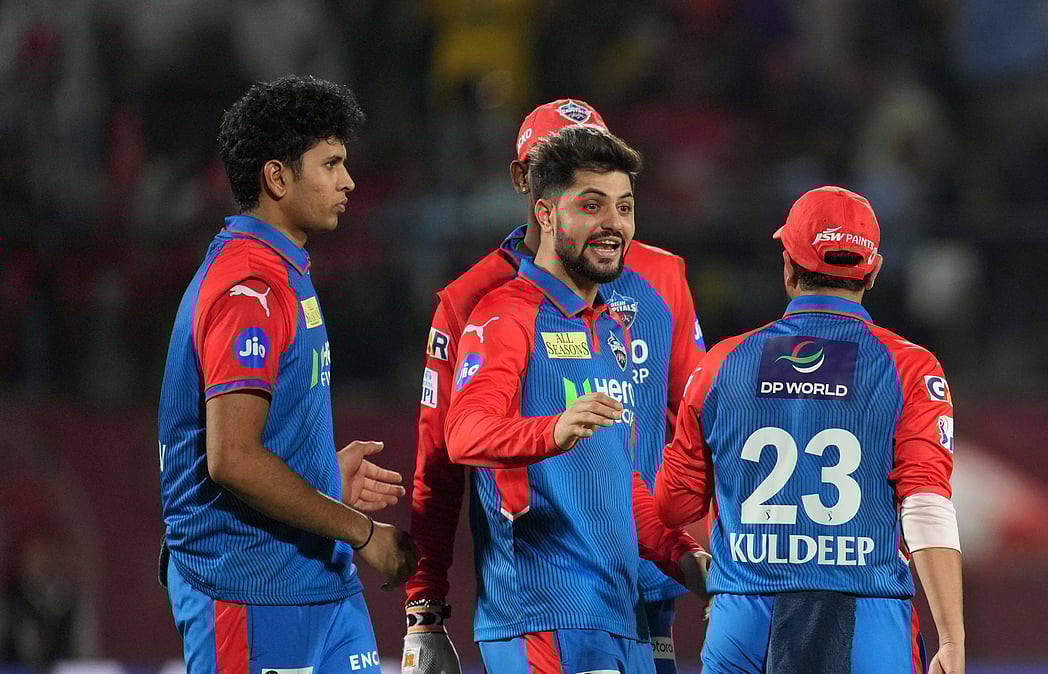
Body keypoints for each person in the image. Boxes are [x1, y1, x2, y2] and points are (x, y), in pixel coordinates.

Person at [404, 100, 707, 674]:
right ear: (530, 186)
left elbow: (684, 435)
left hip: (639, 583)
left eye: (621, 203)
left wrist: (696, 554)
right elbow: (444, 455)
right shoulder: (482, 303)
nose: (610, 220)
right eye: (587, 199)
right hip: (545, 592)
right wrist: (424, 605)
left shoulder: (643, 289)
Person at [157, 75, 417, 673]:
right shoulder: (247, 288)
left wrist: (320, 474)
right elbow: (233, 458)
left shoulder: (284, 272)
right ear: (278, 178)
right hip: (249, 589)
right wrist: (363, 532)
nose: (348, 181)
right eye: (331, 164)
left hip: (318, 582)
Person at [655, 186, 965, 674]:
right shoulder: (909, 369)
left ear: (787, 265)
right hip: (867, 616)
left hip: (744, 617)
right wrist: (951, 636)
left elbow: (676, 506)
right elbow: (926, 506)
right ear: (874, 270)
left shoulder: (719, 366)